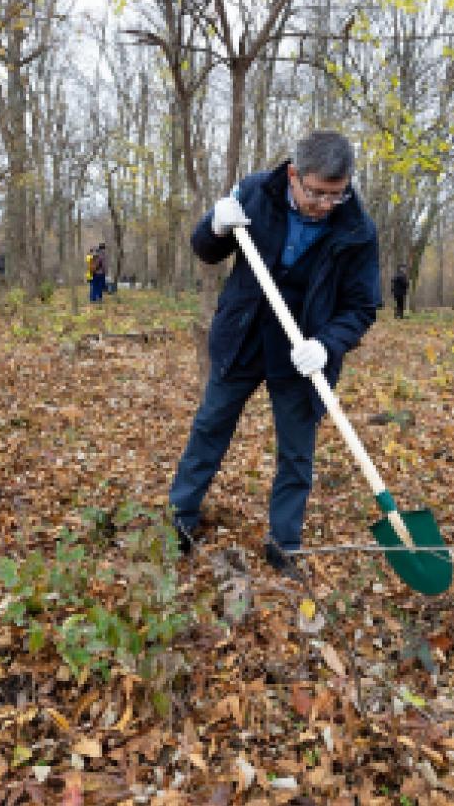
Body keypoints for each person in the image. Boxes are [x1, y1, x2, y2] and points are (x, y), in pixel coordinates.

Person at [168, 130, 379, 577]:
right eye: (317, 193)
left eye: (336, 196)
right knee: (210, 428)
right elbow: (206, 249)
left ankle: (284, 545)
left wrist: (327, 344)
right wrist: (215, 224)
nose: (325, 205)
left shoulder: (357, 230)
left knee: (297, 454)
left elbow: (362, 307)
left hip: (304, 354)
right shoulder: (254, 194)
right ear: (293, 175)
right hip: (243, 336)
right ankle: (179, 522)